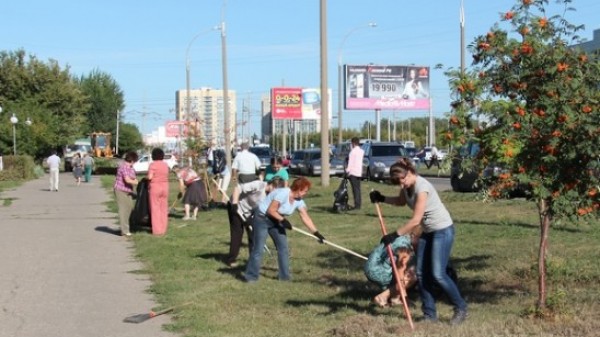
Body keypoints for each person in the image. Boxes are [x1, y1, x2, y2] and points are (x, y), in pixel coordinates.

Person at [369, 158, 468, 325]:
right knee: (421, 274)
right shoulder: (407, 186)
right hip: (428, 232)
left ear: (410, 173)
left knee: (438, 274)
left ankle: (461, 308)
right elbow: (401, 201)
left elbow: (416, 220)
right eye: (398, 183)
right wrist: (382, 198)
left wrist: (395, 235)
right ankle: (429, 315)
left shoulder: (423, 188)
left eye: (403, 181)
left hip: (442, 231)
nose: (402, 185)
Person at [244, 177, 326, 282]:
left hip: (276, 221)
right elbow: (271, 210)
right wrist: (283, 220)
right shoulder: (283, 193)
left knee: (283, 249)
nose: (306, 193)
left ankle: (284, 278)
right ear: (299, 189)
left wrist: (316, 233)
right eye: (305, 190)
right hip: (262, 219)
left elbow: (305, 217)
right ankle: (251, 277)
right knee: (258, 249)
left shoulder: (298, 200)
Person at [226, 176, 285, 268]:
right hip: (236, 207)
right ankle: (231, 259)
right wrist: (234, 203)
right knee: (237, 233)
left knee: (253, 234)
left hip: (249, 212)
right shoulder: (258, 185)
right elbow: (238, 188)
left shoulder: (270, 198)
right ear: (272, 185)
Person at [365, 229, 420, 307]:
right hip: (377, 270)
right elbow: (400, 272)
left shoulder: (405, 240)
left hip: (379, 266)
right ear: (414, 236)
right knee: (411, 276)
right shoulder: (404, 246)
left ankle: (395, 298)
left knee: (411, 271)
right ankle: (382, 297)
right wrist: (405, 298)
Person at [113, 151, 139, 237]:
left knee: (129, 208)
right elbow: (128, 180)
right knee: (123, 210)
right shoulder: (124, 167)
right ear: (132, 160)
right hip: (120, 190)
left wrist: (134, 181)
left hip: (128, 191)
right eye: (135, 161)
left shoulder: (131, 168)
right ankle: (124, 230)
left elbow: (134, 178)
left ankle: (126, 228)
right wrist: (135, 182)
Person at [147, 148, 171, 236]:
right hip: (165, 187)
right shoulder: (165, 165)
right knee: (163, 208)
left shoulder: (153, 165)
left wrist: (145, 179)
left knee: (155, 209)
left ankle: (157, 230)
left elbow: (150, 177)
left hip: (155, 187)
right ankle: (163, 228)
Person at [345, 137, 364, 210]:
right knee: (358, 189)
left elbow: (350, 163)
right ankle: (359, 204)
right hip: (359, 172)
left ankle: (356, 205)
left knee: (354, 190)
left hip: (353, 173)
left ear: (353, 143)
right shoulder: (361, 151)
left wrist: (347, 171)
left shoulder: (352, 152)